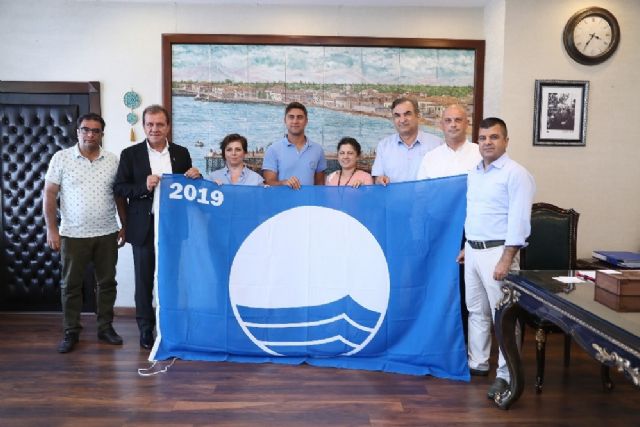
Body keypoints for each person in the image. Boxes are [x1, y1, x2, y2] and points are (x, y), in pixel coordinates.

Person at [456, 117, 536, 400]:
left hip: (498, 253)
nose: (487, 142)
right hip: (474, 250)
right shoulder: (474, 172)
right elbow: (474, 212)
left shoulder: (516, 174)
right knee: (476, 310)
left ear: (506, 141)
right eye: (483, 138)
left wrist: (506, 258)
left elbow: (519, 220)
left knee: (503, 317)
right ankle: (477, 362)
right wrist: (467, 245)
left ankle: (506, 374)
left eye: (494, 137)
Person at [113, 104, 201, 350]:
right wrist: (144, 185)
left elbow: (189, 190)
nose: (155, 129)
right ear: (143, 126)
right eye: (150, 124)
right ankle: (145, 329)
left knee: (173, 279)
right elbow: (120, 188)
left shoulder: (181, 153)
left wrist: (197, 177)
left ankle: (172, 325)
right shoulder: (130, 154)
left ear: (168, 127)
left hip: (173, 227)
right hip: (144, 227)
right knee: (144, 282)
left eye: (160, 124)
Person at [44, 113, 126, 353]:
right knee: (71, 285)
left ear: (102, 134)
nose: (90, 134)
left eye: (95, 130)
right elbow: (49, 193)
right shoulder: (61, 158)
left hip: (107, 233)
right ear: (77, 132)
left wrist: (124, 224)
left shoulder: (112, 160)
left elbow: (119, 195)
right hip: (72, 234)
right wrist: (52, 229)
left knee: (107, 283)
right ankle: (71, 331)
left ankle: (105, 328)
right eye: (85, 129)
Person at [372, 97, 442, 185]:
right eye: (397, 116)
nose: (402, 120)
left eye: (407, 114)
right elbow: (377, 178)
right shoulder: (384, 146)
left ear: (418, 116)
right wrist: (379, 179)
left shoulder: (437, 144)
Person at [262, 102, 326, 189]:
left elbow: (320, 185)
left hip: (308, 198)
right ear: (285, 120)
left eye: (299, 117)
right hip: (281, 198)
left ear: (306, 121)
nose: (295, 121)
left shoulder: (318, 150)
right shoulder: (273, 150)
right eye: (291, 117)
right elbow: (269, 183)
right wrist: (284, 183)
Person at [416, 104, 481, 180]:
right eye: (448, 120)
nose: (453, 125)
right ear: (441, 125)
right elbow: (421, 187)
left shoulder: (481, 154)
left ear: (467, 124)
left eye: (458, 120)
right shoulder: (430, 158)